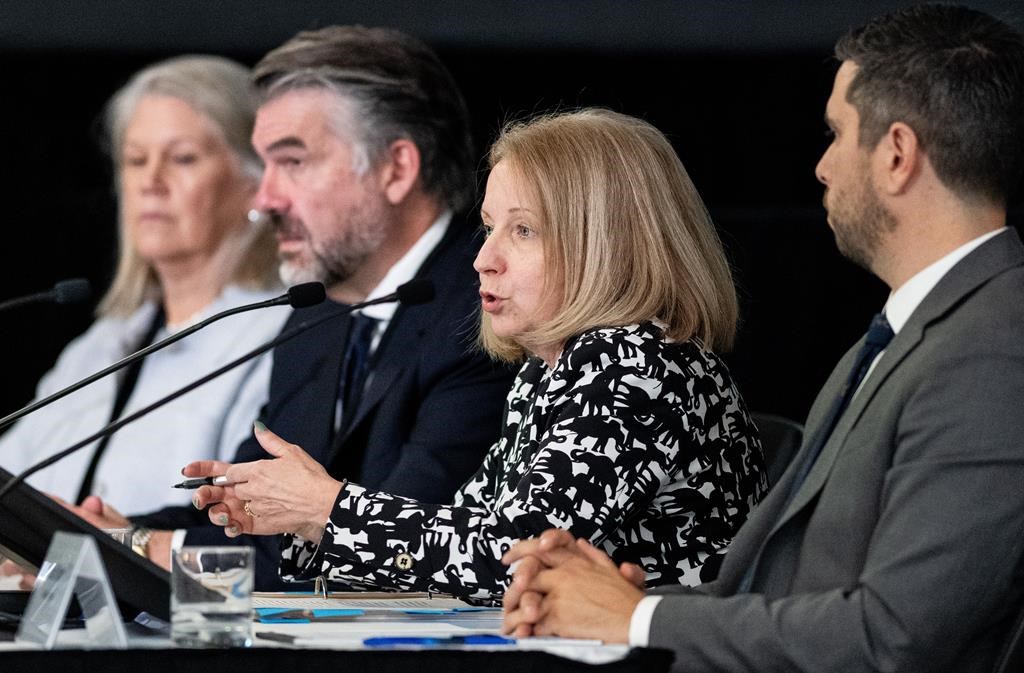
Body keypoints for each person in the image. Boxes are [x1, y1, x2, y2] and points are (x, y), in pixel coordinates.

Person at [500, 5, 1024, 673]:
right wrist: (606, 599)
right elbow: (789, 588)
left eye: (835, 134)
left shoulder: (992, 350)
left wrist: (637, 617)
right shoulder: (909, 332)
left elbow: (897, 638)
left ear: (896, 154)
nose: (822, 168)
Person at [187, 108, 767, 601]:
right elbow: (465, 543)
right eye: (489, 227)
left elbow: (508, 560)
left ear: (605, 245)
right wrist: (303, 521)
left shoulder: (640, 368)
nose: (482, 259)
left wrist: (327, 508)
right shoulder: (549, 373)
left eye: (523, 231)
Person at [77, 26, 516, 589]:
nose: (264, 201)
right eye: (266, 166)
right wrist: (105, 534)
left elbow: (391, 554)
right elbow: (247, 520)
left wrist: (139, 548)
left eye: (294, 163)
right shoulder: (317, 313)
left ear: (396, 170)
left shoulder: (486, 309)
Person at [0, 55, 287, 516]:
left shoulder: (278, 336)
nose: (150, 182)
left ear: (257, 184)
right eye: (135, 160)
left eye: (182, 158)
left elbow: (247, 525)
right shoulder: (96, 349)